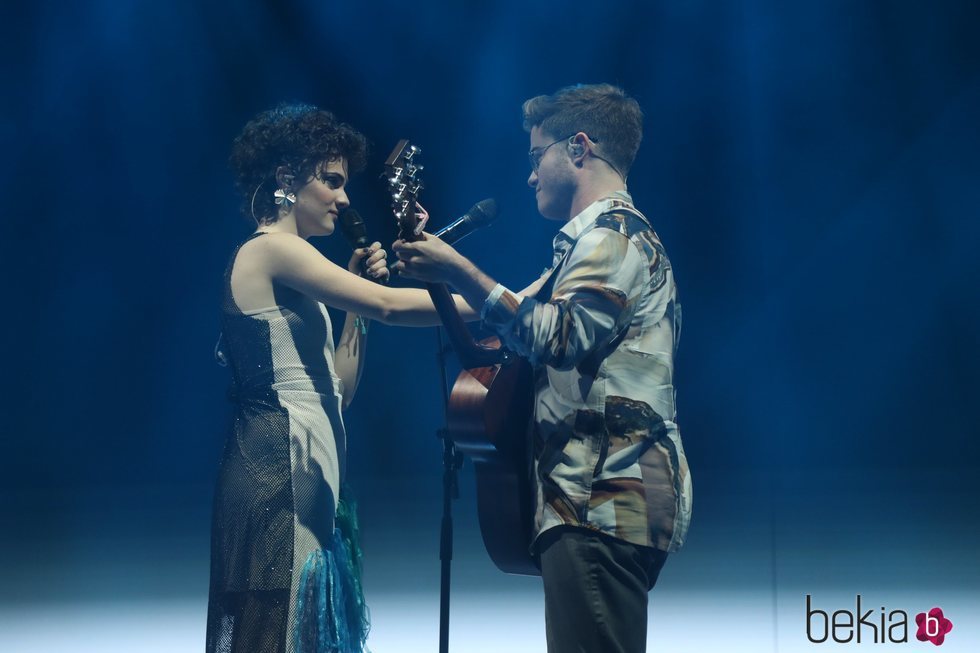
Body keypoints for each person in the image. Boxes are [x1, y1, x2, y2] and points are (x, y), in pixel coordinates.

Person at [392, 83, 693, 653]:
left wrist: (456, 268)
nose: (530, 176)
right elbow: (496, 318)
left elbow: (556, 335)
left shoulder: (610, 238)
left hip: (601, 501)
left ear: (579, 148)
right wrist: (398, 282)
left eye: (537, 157)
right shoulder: (592, 246)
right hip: (594, 502)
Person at [206, 103, 475, 653]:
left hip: (306, 472)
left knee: (296, 633)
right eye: (331, 181)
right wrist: (501, 302)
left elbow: (339, 391)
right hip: (275, 474)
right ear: (286, 178)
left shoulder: (298, 269)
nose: (345, 198)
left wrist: (353, 309)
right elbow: (390, 305)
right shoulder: (270, 249)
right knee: (275, 633)